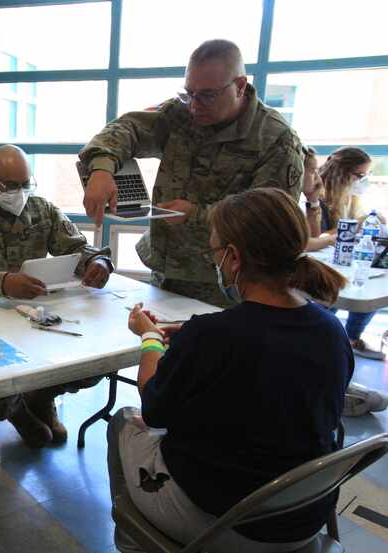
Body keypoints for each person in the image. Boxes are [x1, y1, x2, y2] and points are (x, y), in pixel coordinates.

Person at [108, 187, 352, 553]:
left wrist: (150, 338)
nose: (215, 260)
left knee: (124, 422)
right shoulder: (331, 330)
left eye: (215, 251)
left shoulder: (212, 336)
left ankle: (138, 538)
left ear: (234, 258)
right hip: (304, 515)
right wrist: (192, 340)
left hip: (228, 523)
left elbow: (154, 409)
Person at [79, 39, 304, 308]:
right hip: (166, 271)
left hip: (226, 285)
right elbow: (128, 128)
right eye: (189, 93)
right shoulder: (182, 112)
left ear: (240, 86)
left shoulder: (276, 139)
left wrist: (196, 215)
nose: (195, 104)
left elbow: (270, 223)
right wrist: (102, 168)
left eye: (207, 95)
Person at [0, 144, 113, 448]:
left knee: (92, 361)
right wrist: (3, 282)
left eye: (25, 184)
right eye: (10, 185)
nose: (19, 192)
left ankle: (42, 397)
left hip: (35, 315)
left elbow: (75, 247)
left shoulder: (42, 209)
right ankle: (16, 409)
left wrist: (97, 261)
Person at [304, 147, 385, 360]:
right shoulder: (316, 196)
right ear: (342, 171)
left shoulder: (350, 198)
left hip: (339, 258)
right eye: (359, 175)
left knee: (368, 289)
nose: (362, 180)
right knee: (333, 296)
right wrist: (351, 227)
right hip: (318, 261)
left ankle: (350, 338)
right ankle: (321, 339)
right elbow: (315, 238)